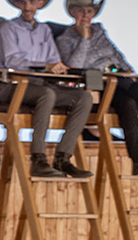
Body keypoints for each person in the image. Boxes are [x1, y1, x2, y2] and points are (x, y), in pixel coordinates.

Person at [0, 0, 93, 178]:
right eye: (23, 2)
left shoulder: (44, 31)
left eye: (32, 2)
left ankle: (63, 159)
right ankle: (38, 159)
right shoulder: (8, 29)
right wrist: (44, 66)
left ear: (40, 4)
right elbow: (12, 62)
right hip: (10, 86)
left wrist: (58, 67)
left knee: (83, 98)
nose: (28, 7)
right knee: (47, 94)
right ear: (17, 4)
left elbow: (54, 58)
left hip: (40, 85)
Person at [56, 0, 137, 176]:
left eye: (89, 11)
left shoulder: (100, 32)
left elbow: (116, 56)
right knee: (129, 105)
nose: (85, 15)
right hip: (97, 82)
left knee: (134, 95)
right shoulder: (65, 38)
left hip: (120, 78)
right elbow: (74, 65)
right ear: (72, 12)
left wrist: (128, 70)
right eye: (81, 11)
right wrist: (84, 39)